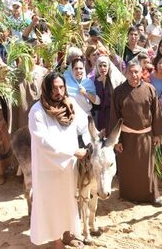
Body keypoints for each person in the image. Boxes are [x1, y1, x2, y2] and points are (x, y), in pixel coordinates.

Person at [28, 72, 90, 247]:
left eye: (61, 87)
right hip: (48, 168)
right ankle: (56, 240)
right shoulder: (37, 111)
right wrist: (73, 151)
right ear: (47, 89)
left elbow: (84, 126)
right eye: (54, 88)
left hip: (68, 167)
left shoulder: (70, 105)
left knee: (68, 200)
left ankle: (68, 233)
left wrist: (88, 143)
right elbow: (43, 142)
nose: (58, 91)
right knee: (51, 203)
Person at [111, 59, 162, 206]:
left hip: (146, 136)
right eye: (131, 72)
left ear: (142, 73)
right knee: (129, 169)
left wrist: (157, 134)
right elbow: (114, 117)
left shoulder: (150, 89)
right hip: (126, 137)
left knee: (147, 168)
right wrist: (117, 141)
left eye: (136, 72)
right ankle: (128, 195)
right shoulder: (118, 92)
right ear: (126, 73)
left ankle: (152, 196)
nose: (134, 75)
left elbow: (156, 113)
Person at [92, 56, 125, 133]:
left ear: (108, 66)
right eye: (100, 66)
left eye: (104, 65)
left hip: (113, 113)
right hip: (100, 114)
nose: (102, 68)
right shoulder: (95, 82)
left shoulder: (114, 80)